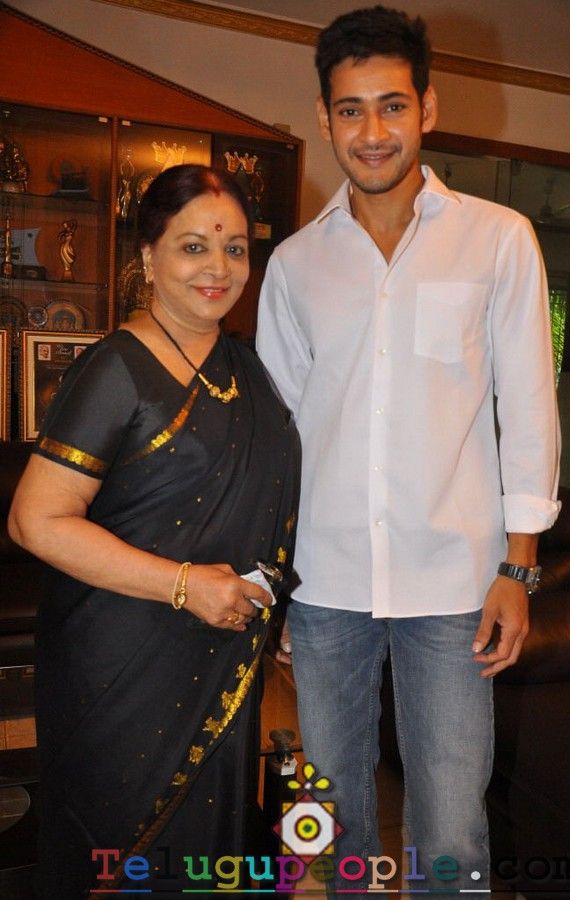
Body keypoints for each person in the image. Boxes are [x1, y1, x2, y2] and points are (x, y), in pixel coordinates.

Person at [256, 6, 560, 896]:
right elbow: (276, 436)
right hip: (324, 582)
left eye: (392, 105)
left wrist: (520, 567)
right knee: (334, 818)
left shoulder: (499, 238)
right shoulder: (295, 266)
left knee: (453, 823)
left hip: (454, 584)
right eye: (351, 109)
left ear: (427, 106)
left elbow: (529, 408)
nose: (373, 131)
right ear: (324, 119)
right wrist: (272, 581)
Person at [9, 164, 300, 898]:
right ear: (147, 255)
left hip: (220, 645)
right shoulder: (117, 368)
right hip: (122, 657)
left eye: (235, 248)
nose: (219, 268)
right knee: (119, 847)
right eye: (193, 246)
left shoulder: (247, 368)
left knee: (205, 844)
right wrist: (183, 586)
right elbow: (35, 520)